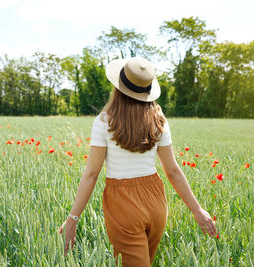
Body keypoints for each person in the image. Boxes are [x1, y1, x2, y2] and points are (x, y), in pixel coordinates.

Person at [59, 57, 217, 266]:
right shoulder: (158, 119)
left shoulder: (105, 121)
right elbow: (172, 170)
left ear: (119, 86)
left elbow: (91, 173)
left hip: (122, 203)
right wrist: (197, 210)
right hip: (156, 201)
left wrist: (73, 219)